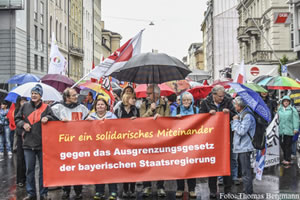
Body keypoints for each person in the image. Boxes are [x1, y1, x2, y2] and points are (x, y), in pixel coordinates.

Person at [15, 84, 55, 200]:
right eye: (32, 93)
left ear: (40, 95)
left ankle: (43, 193)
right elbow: (17, 119)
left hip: (43, 144)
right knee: (30, 170)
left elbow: (54, 118)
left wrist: (48, 118)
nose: (33, 95)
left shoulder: (47, 107)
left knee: (43, 171)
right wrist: (23, 124)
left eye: (36, 93)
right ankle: (31, 193)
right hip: (27, 144)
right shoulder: (25, 106)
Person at [51, 88, 90, 199]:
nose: (76, 97)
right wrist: (57, 121)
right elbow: (47, 119)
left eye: (76, 95)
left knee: (78, 167)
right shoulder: (57, 108)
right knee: (66, 167)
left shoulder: (82, 108)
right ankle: (66, 190)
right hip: (64, 144)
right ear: (67, 98)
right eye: (73, 95)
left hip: (79, 143)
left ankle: (78, 191)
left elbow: (90, 121)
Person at [199, 85, 236, 199]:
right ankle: (213, 190)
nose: (222, 98)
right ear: (213, 95)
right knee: (212, 164)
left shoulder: (228, 101)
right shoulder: (205, 102)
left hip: (225, 137)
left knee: (226, 163)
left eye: (223, 96)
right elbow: (199, 119)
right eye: (220, 96)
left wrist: (229, 112)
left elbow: (235, 115)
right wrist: (208, 115)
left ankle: (228, 189)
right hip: (212, 138)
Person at [140, 84, 170, 197]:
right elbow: (141, 120)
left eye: (149, 93)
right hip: (147, 137)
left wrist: (160, 118)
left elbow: (168, 120)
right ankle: (146, 186)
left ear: (157, 94)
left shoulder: (165, 104)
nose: (146, 95)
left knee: (160, 162)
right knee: (146, 162)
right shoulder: (144, 104)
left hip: (160, 138)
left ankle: (160, 187)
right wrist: (150, 110)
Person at [86, 98, 118, 200]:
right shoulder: (90, 117)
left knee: (111, 170)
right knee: (99, 170)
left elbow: (118, 128)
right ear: (95, 106)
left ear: (106, 106)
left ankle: (113, 191)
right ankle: (99, 191)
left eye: (102, 104)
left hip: (109, 147)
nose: (100, 106)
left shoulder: (112, 116)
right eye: (98, 105)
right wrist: (87, 122)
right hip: (96, 148)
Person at [171, 92, 198, 198]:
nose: (186, 102)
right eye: (184, 100)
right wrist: (175, 119)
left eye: (188, 100)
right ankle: (180, 188)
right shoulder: (176, 110)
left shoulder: (196, 110)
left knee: (192, 166)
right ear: (181, 101)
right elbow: (170, 124)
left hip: (192, 142)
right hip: (180, 142)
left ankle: (192, 189)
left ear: (191, 101)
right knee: (180, 165)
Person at [114, 93, 139, 198]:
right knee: (125, 166)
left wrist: (136, 120)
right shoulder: (118, 110)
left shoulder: (135, 110)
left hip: (134, 141)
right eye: (133, 98)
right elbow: (113, 124)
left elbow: (142, 123)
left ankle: (132, 189)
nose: (134, 100)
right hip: (122, 142)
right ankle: (125, 188)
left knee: (133, 166)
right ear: (127, 99)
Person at [231, 96, 256, 195]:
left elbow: (241, 131)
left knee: (246, 172)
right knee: (245, 171)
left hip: (245, 147)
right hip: (242, 147)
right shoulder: (242, 114)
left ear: (240, 106)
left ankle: (248, 193)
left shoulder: (247, 116)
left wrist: (236, 121)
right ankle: (247, 191)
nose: (234, 106)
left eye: (236, 104)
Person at [278, 95, 299, 166]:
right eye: (285, 101)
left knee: (288, 145)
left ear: (289, 102)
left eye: (287, 101)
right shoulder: (279, 109)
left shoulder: (292, 110)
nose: (286, 102)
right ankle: (285, 158)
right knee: (282, 144)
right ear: (282, 102)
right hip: (281, 131)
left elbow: (296, 120)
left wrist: (296, 128)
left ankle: (287, 159)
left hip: (289, 130)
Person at [14, 96, 28, 188]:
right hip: (20, 135)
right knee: (20, 158)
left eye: (25, 101)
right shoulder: (17, 111)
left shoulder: (29, 108)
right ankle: (20, 179)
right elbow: (17, 121)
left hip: (30, 135)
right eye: (22, 101)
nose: (23, 103)